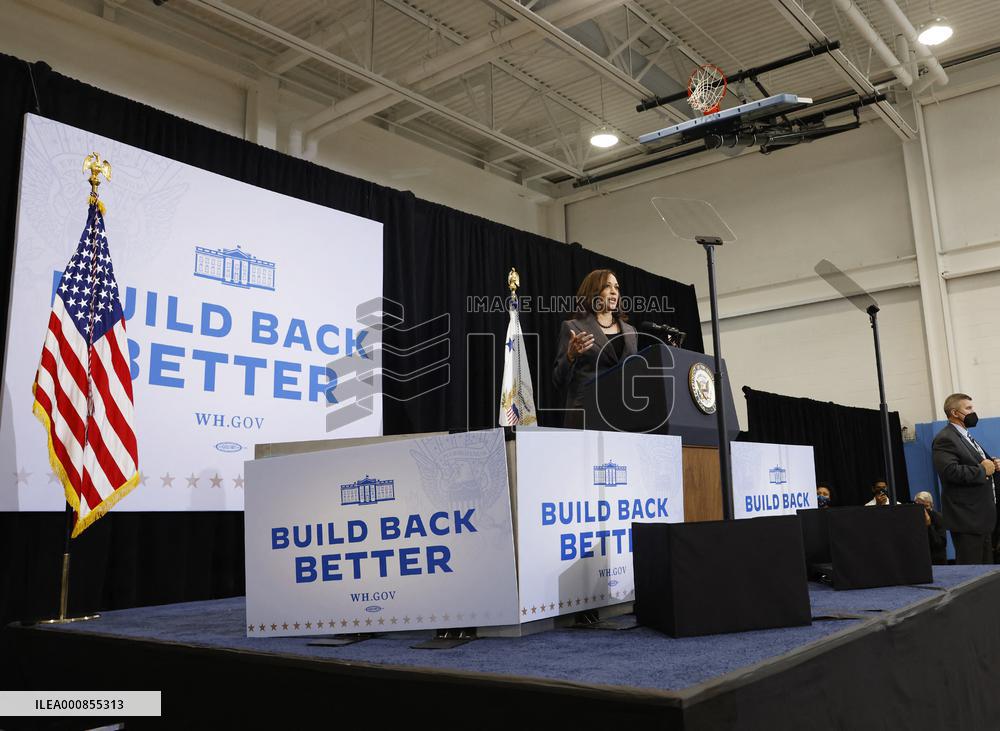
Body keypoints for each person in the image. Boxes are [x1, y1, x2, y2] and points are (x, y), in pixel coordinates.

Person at [552, 269, 638, 428]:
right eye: (607, 286)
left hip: (623, 416)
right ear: (593, 292)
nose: (614, 291)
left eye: (616, 287)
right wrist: (570, 356)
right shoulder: (573, 327)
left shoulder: (631, 332)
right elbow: (558, 380)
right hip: (585, 415)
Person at [931, 393, 999, 564]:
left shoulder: (965, 436)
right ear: (954, 413)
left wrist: (993, 465)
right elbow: (950, 471)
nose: (973, 412)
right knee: (973, 571)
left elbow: (979, 464)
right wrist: (983, 470)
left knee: (986, 572)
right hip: (967, 518)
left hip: (981, 517)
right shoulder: (945, 438)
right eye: (968, 408)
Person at [914, 491, 948, 565]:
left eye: (926, 506)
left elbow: (940, 544)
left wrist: (929, 526)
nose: (924, 511)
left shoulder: (939, 518)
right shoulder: (913, 518)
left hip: (936, 560)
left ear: (931, 505)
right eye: (920, 507)